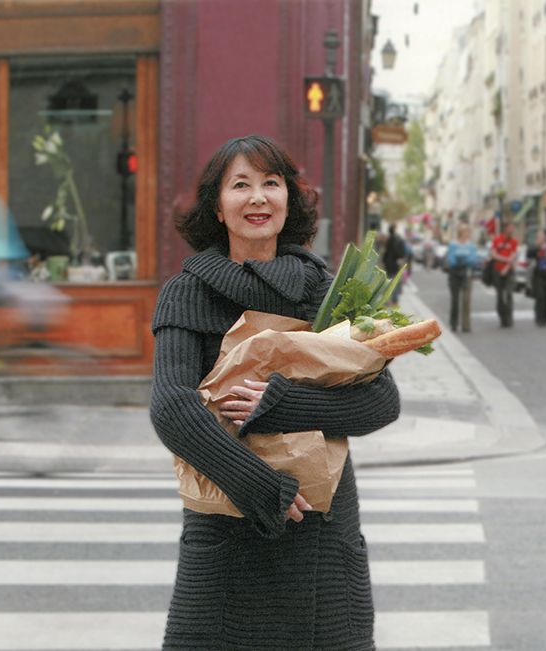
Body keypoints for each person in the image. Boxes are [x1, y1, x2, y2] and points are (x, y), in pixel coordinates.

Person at [149, 135, 400, 650]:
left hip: (322, 529)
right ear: (217, 208)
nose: (258, 197)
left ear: (289, 199)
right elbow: (173, 408)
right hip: (229, 522)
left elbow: (381, 400)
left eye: (271, 183)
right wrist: (263, 489)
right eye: (240, 185)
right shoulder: (188, 291)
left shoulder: (325, 290)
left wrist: (279, 403)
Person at [446, 223, 477, 332]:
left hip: (466, 274)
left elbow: (473, 259)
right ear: (460, 233)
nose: (467, 234)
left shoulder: (471, 245)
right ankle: (453, 323)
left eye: (468, 231)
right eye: (465, 231)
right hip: (455, 274)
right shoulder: (453, 244)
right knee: (455, 300)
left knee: (466, 300)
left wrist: (463, 261)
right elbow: (451, 258)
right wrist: (461, 261)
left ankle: (466, 325)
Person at [526, 228, 546, 326]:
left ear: (545, 237)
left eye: (541, 235)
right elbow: (528, 255)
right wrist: (538, 247)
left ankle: (545, 318)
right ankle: (538, 317)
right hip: (538, 274)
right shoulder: (535, 247)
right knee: (540, 296)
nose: (539, 237)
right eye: (538, 235)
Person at [490, 221, 519, 327]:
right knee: (500, 295)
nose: (512, 229)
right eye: (510, 227)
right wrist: (505, 259)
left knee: (509, 294)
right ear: (505, 228)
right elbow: (493, 255)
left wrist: (506, 267)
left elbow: (513, 255)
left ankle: (509, 317)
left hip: (509, 271)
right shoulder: (497, 240)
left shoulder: (514, 241)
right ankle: (502, 317)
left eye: (513, 227)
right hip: (497, 270)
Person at [383, 223, 407, 303]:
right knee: (395, 281)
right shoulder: (398, 239)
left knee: (388, 281)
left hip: (388, 263)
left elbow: (386, 252)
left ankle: (387, 299)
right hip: (395, 263)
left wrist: (383, 261)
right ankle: (394, 299)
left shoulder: (389, 239)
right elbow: (401, 253)